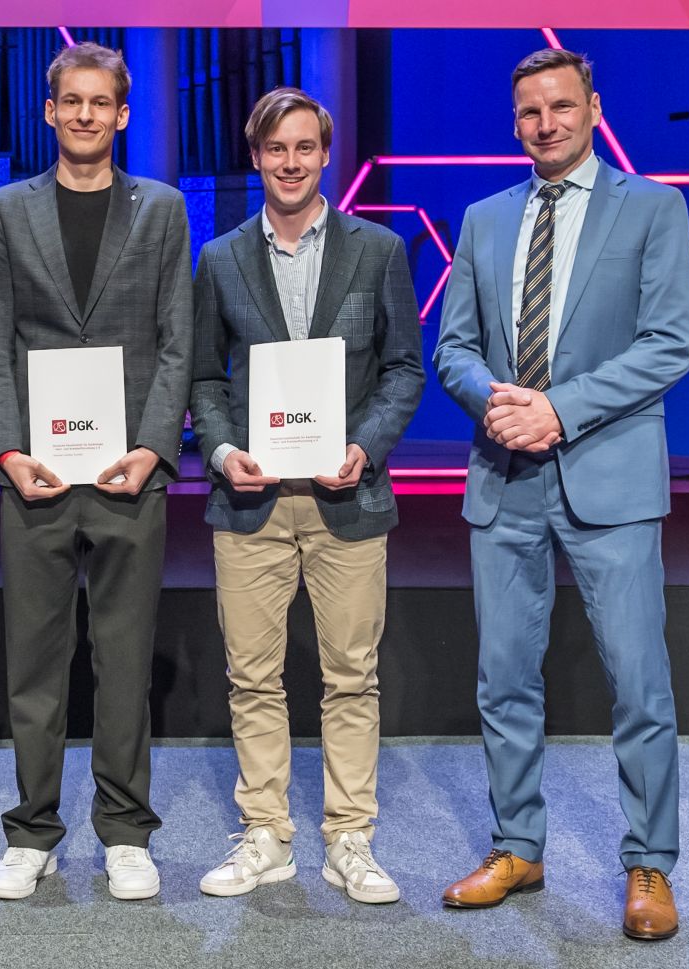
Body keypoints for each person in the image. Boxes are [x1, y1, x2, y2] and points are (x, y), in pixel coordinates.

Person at [434, 48, 689, 941]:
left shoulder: (655, 207)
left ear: (591, 106)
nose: (543, 124)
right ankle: (518, 845)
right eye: (527, 113)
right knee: (503, 678)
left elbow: (670, 342)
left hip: (611, 479)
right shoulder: (483, 217)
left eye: (559, 106)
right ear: (515, 124)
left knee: (638, 682)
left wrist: (558, 409)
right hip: (504, 476)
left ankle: (650, 863)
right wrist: (500, 405)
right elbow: (453, 347)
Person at [189, 87, 423, 903]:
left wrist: (364, 447)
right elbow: (203, 377)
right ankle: (266, 834)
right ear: (255, 157)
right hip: (250, 501)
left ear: (325, 155)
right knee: (252, 676)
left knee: (350, 675)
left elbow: (402, 369)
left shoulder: (380, 250)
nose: (290, 163)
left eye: (304, 148)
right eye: (274, 149)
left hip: (347, 498)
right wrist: (220, 449)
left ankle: (349, 836)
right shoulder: (218, 258)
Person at [0, 42, 192, 901]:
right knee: (34, 659)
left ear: (123, 114)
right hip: (39, 476)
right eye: (73, 102)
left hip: (128, 471)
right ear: (52, 111)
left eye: (103, 103)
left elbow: (176, 339)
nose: (87, 115)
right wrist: (7, 452)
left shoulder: (163, 208)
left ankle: (126, 831)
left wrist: (151, 447)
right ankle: (33, 832)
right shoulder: (6, 208)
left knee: (125, 658)